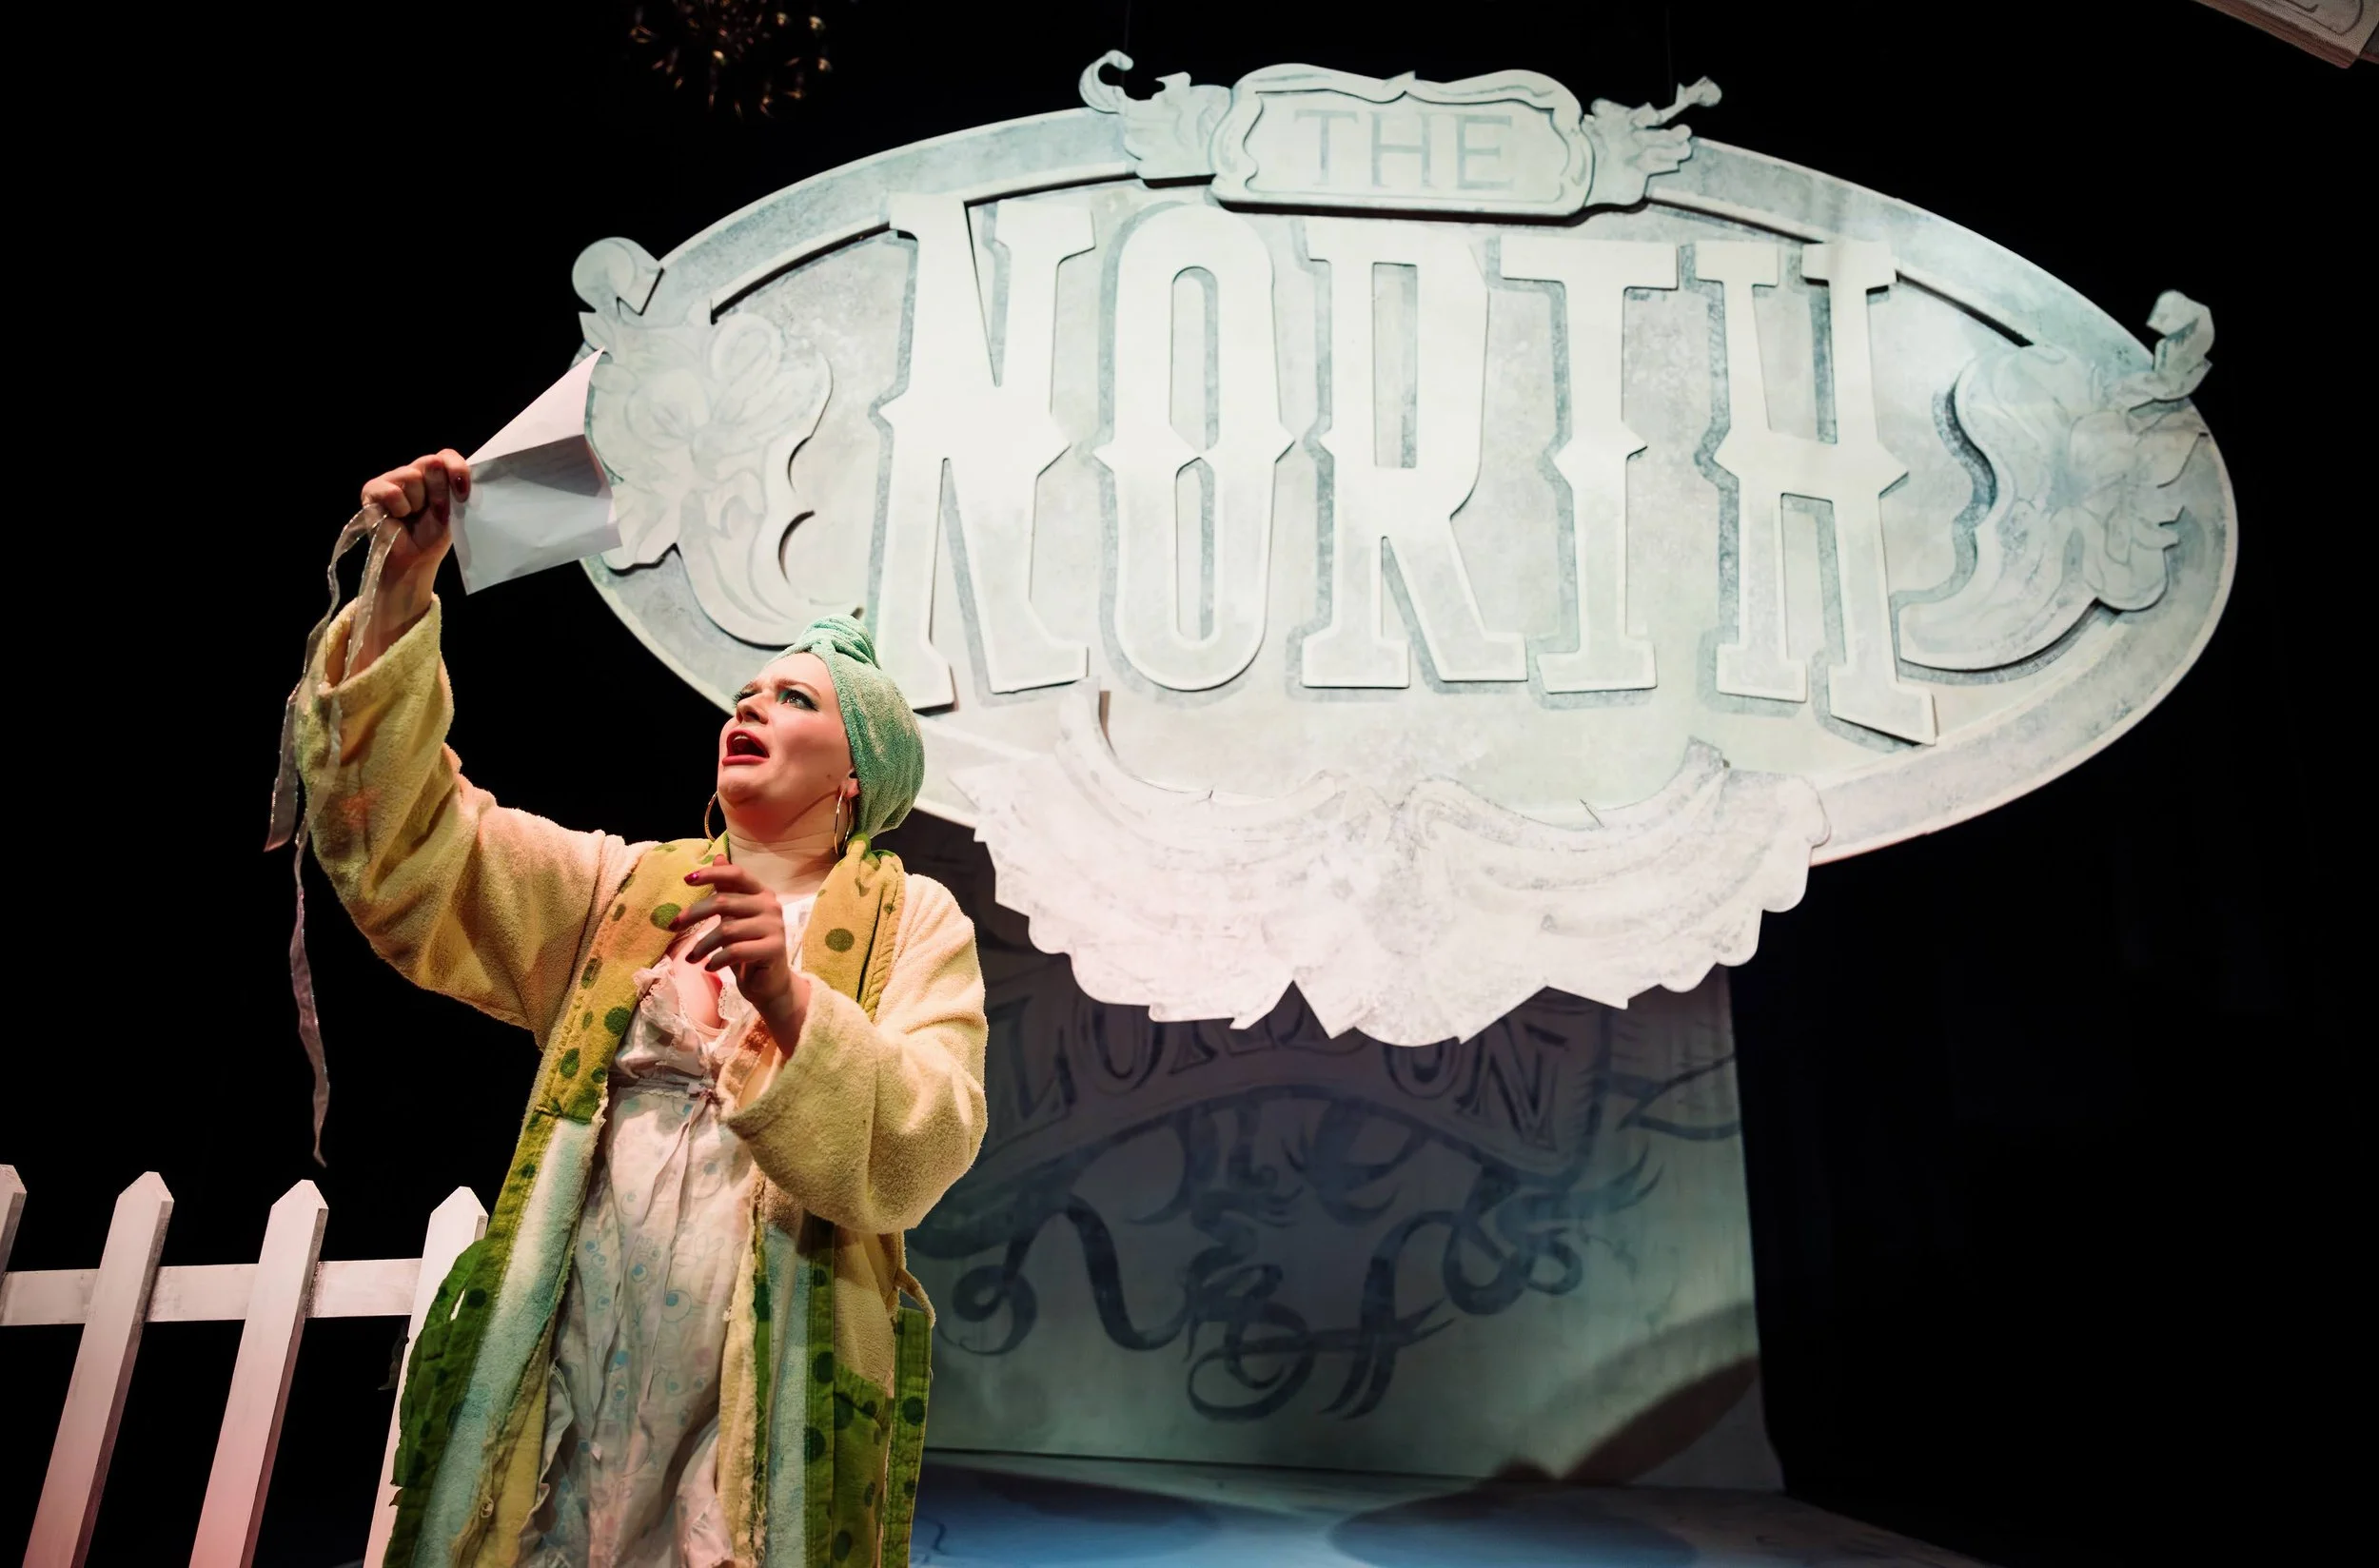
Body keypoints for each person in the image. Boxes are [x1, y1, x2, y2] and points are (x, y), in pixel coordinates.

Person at [295, 449, 989, 1568]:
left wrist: (788, 1000)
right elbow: (418, 845)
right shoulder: (621, 891)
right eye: (748, 693)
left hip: (756, 1374)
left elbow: (931, 1130)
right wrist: (401, 594)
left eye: (795, 699)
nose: (752, 705)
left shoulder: (912, 921)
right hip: (583, 1333)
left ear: (854, 774)